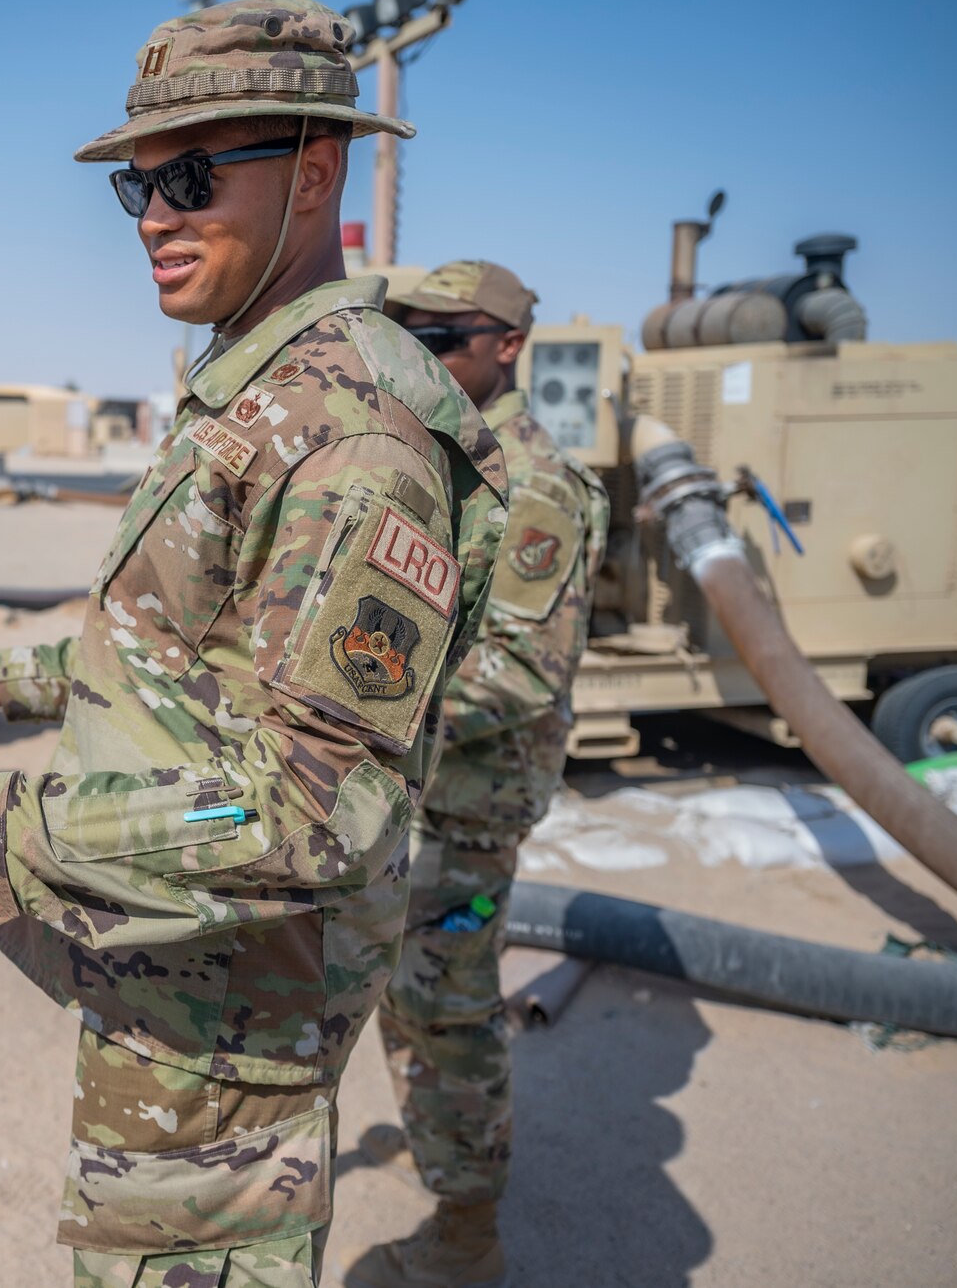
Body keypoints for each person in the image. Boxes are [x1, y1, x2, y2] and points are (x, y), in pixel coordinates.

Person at [0, 0, 509, 1284]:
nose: (152, 216)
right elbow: (204, 652)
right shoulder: (258, 382)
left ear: (313, 177)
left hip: (235, 1011)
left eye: (191, 176)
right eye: (137, 187)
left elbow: (314, 815)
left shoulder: (350, 437)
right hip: (178, 969)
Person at [355, 262, 610, 1288]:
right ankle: (444, 1177)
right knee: (404, 998)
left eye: (443, 335)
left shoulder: (534, 482)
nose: (422, 354)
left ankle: (465, 1233)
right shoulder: (448, 458)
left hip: (467, 802)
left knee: (447, 1006)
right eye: (407, 337)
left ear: (505, 346)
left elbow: (513, 671)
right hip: (416, 789)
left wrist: (366, 721)